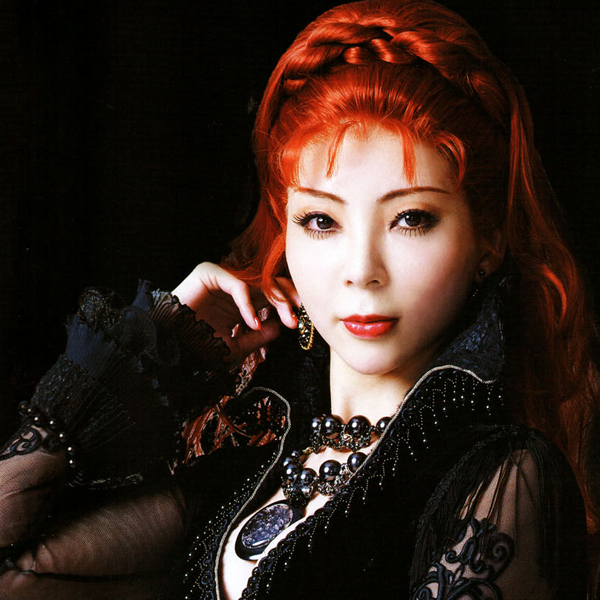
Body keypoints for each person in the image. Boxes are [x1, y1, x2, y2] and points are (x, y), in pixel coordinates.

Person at [0, 0, 598, 598]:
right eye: (321, 221)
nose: (361, 271)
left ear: (487, 241)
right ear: (286, 237)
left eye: (411, 218)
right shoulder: (248, 466)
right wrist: (161, 340)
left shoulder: (501, 478)